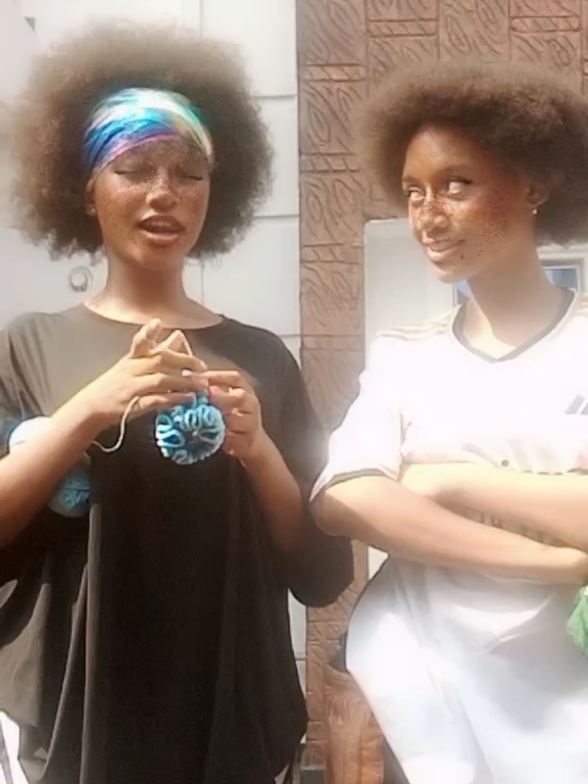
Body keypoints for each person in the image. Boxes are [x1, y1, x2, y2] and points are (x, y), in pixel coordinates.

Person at [0, 23, 354, 784]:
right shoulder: (27, 347)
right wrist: (88, 411)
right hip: (76, 718)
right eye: (133, 169)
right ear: (85, 189)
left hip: (229, 716)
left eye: (189, 173)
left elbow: (319, 570)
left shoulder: (262, 356)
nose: (164, 193)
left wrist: (258, 450)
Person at [311, 61, 588, 784]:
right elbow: (346, 497)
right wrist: (562, 560)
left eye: (457, 184)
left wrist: (451, 481)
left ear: (534, 185)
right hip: (424, 705)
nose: (428, 215)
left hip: (568, 700)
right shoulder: (406, 355)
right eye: (413, 191)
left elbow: (394, 495)